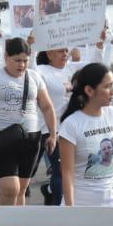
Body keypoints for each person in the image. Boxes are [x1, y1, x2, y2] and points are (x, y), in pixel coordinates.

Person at [55, 62, 113, 207]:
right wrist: (71, 210)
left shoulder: (111, 114)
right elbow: (67, 174)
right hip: (81, 203)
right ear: (89, 90)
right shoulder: (71, 124)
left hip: (112, 202)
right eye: (107, 86)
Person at [0, 37, 57, 206]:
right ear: (6, 56)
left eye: (25, 61)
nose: (21, 65)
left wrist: (53, 134)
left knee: (21, 189)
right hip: (2, 139)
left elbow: (47, 107)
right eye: (17, 60)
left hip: (31, 139)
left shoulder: (34, 77)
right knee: (9, 188)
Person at [34, 47, 76, 204]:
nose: (65, 54)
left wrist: (100, 46)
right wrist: (32, 46)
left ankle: (52, 194)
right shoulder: (41, 70)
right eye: (60, 51)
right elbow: (30, 69)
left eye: (66, 50)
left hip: (70, 129)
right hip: (48, 128)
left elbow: (98, 65)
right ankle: (57, 207)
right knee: (59, 172)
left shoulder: (71, 69)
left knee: (65, 171)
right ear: (49, 54)